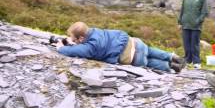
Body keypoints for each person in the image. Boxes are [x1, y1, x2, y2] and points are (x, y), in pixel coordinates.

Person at [56, 22, 186, 73]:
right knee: (150, 50)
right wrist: (72, 41)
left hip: (132, 57)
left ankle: (171, 67)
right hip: (134, 42)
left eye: (74, 39)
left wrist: (61, 47)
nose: (74, 42)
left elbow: (75, 51)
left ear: (81, 39)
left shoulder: (89, 47)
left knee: (149, 62)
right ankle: (173, 57)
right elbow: (84, 43)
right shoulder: (95, 30)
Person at [178, 0, 208, 69]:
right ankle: (187, 60)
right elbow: (182, 10)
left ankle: (196, 62)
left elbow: (204, 12)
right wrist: (180, 22)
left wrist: (198, 21)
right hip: (185, 24)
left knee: (194, 44)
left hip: (196, 26)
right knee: (186, 43)